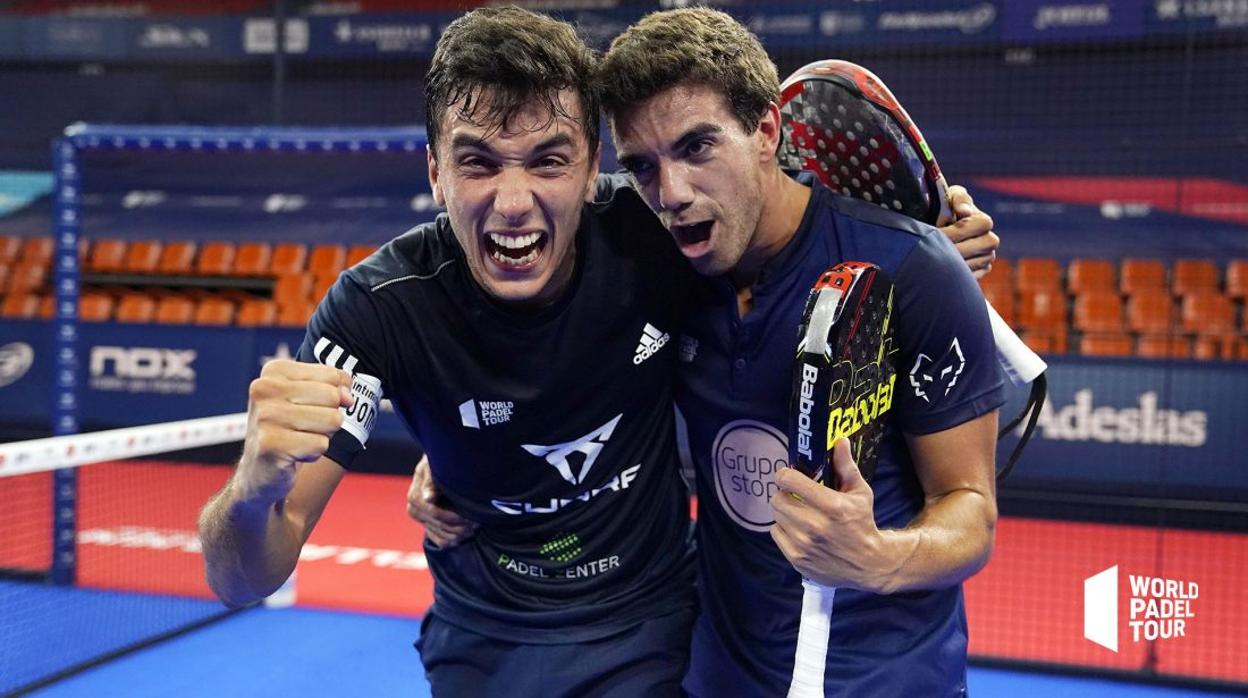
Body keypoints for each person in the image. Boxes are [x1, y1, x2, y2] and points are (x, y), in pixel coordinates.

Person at [196, 7, 701, 696]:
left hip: (661, 618)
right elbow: (241, 581)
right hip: (485, 640)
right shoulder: (378, 310)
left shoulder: (658, 234)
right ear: (436, 174)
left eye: (549, 160)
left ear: (591, 170)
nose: (514, 201)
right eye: (478, 163)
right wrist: (254, 489)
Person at [594, 8, 1005, 696]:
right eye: (642, 166)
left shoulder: (911, 267)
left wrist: (876, 558)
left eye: (697, 148)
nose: (672, 193)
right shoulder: (656, 260)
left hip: (883, 678)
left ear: (765, 130)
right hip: (719, 673)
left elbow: (970, 509)